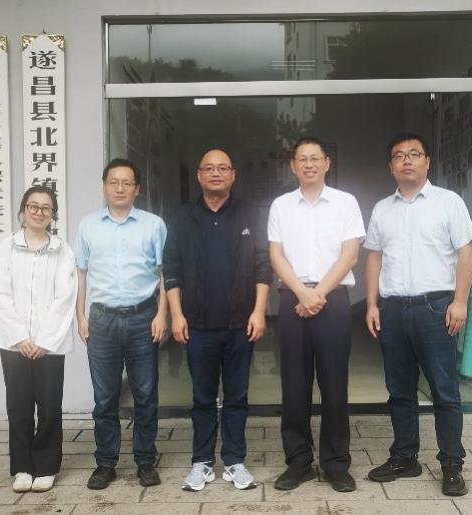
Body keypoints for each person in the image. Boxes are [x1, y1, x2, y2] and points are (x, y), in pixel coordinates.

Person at [363, 132, 472, 496]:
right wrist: (371, 304)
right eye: (399, 156)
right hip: (393, 308)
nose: (407, 160)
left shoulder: (449, 202)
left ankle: (451, 463)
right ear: (391, 166)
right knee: (399, 389)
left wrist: (460, 302)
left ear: (427, 161)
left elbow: (466, 252)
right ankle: (405, 457)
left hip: (436, 308)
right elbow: (374, 258)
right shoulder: (382, 209)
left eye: (414, 154)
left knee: (445, 390)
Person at [163, 148, 272, 492]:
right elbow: (172, 268)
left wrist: (259, 311)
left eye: (222, 168)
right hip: (197, 325)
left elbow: (263, 265)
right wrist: (176, 314)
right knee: (202, 398)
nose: (216, 173)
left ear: (233, 175)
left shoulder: (250, 213)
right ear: (199, 175)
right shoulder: (182, 217)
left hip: (241, 324)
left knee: (237, 397)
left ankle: (235, 461)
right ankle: (202, 462)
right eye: (209, 168)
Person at [267, 136, 364, 493]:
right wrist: (302, 292)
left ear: (326, 163)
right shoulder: (281, 206)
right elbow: (276, 255)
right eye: (302, 159)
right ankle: (298, 462)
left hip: (332, 300)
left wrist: (317, 294)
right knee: (294, 385)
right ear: (293, 166)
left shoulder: (345, 203)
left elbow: (350, 255)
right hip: (292, 299)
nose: (308, 164)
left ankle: (336, 463)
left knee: (334, 384)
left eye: (315, 158)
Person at [75, 158, 169, 490]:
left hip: (143, 317)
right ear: (104, 186)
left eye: (126, 183)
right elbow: (81, 274)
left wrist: (162, 314)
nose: (119, 188)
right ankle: (106, 463)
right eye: (113, 182)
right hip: (102, 319)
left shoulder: (153, 225)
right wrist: (80, 316)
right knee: (105, 397)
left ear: (136, 189)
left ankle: (145, 461)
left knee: (145, 394)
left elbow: (164, 273)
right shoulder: (88, 225)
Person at [0, 185, 77, 493]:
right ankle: (23, 467)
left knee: (50, 407)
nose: (39, 212)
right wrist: (20, 338)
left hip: (49, 345)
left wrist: (45, 340)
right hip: (13, 343)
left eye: (46, 208)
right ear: (23, 211)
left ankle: (47, 466)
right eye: (33, 206)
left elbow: (65, 297)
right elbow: (0, 295)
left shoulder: (63, 251)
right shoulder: (5, 249)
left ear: (53, 215)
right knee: (19, 407)